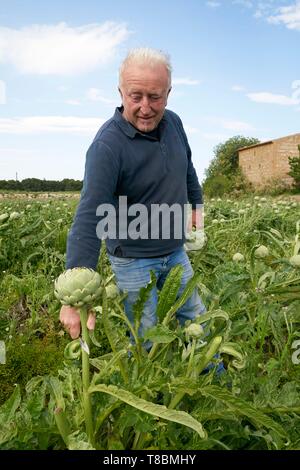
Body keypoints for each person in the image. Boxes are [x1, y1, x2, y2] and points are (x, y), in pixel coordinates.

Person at [59, 47, 206, 344]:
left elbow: (187, 168)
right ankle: (150, 389)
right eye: (135, 96)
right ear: (120, 92)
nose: (145, 107)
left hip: (176, 250)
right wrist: (76, 286)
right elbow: (90, 214)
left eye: (155, 97)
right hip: (133, 260)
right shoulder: (107, 146)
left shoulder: (174, 123)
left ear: (169, 92)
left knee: (197, 319)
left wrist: (196, 208)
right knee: (145, 336)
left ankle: (215, 379)